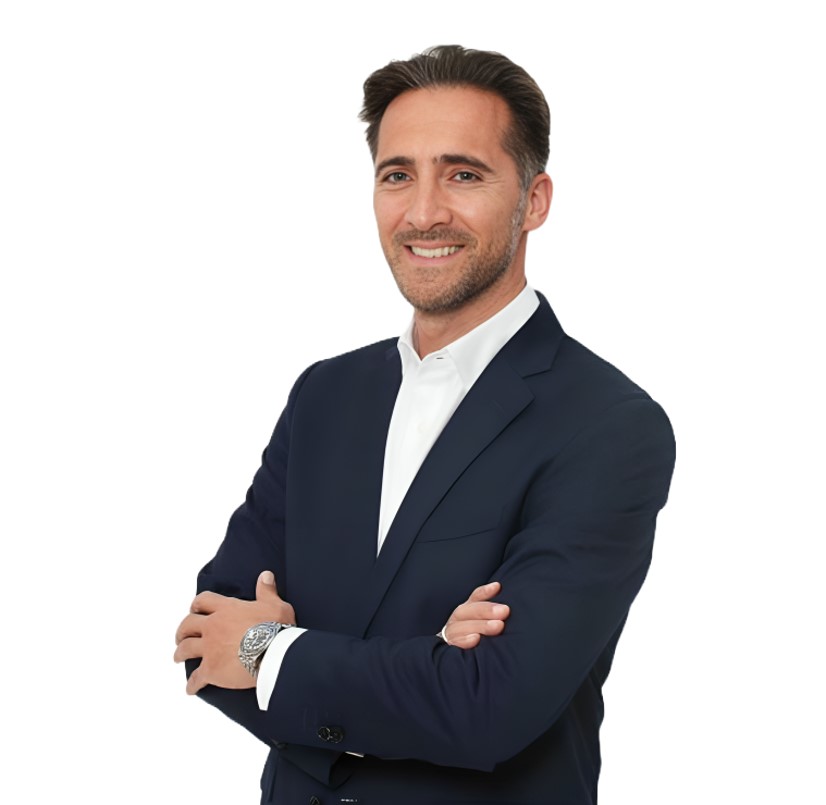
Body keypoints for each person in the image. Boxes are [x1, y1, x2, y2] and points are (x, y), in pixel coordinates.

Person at [174, 44, 676, 804]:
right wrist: (424, 662)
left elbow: (487, 707)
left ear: (534, 199)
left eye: (463, 174)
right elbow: (202, 643)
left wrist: (269, 648)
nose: (423, 212)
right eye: (397, 174)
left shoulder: (609, 426)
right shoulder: (325, 396)